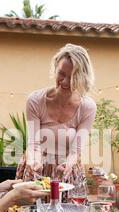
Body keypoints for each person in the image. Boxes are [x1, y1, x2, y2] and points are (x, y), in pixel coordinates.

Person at [16, 43, 96, 187]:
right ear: (55, 69)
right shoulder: (35, 100)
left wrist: (67, 165)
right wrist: (35, 161)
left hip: (68, 171)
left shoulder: (87, 107)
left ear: (82, 77)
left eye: (72, 77)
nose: (64, 82)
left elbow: (75, 151)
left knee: (67, 210)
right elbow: (33, 144)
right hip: (36, 166)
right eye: (61, 73)